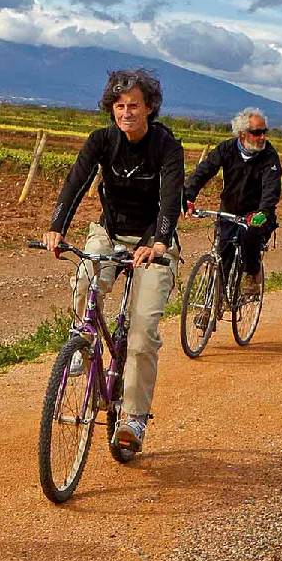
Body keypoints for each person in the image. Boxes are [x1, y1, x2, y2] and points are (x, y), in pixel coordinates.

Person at [42, 68, 184, 455]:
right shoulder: (101, 141)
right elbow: (75, 183)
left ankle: (133, 418)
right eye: (120, 106)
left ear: (149, 107)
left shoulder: (166, 146)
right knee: (86, 280)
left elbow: (171, 199)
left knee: (141, 333)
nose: (126, 113)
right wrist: (57, 228)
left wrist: (159, 242)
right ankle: (84, 345)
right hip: (110, 232)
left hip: (153, 240)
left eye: (134, 106)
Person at [183, 107, 282, 297]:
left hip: (258, 213)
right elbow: (204, 171)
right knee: (223, 252)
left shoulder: (269, 156)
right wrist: (188, 196)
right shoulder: (226, 149)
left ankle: (252, 274)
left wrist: (264, 211)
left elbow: (272, 188)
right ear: (242, 134)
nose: (262, 137)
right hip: (229, 209)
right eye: (256, 133)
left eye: (264, 132)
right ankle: (212, 303)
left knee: (250, 236)